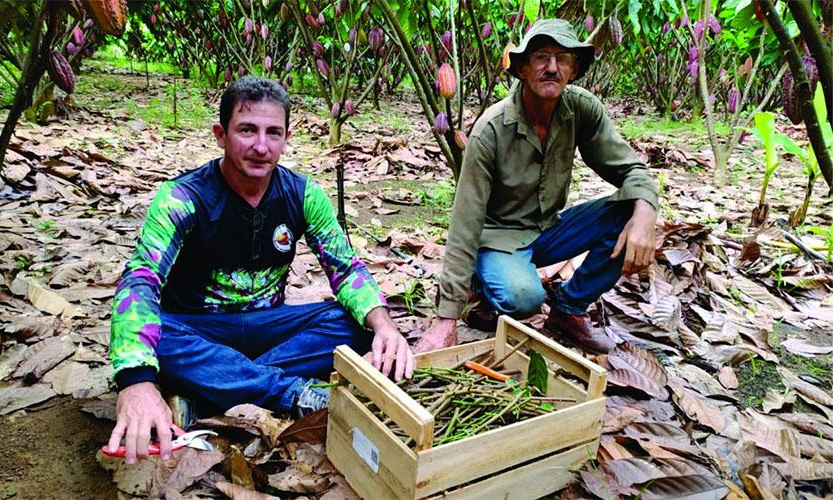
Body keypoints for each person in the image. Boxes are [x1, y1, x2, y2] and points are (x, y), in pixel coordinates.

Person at [106, 76, 414, 464]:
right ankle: (292, 394)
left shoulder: (302, 194)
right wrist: (134, 381)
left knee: (353, 322)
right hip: (196, 330)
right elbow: (141, 281)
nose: (261, 146)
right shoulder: (182, 197)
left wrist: (385, 326)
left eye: (274, 133)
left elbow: (345, 267)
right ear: (221, 134)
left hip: (267, 327)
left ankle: (206, 391)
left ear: (287, 138)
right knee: (155, 334)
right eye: (247, 130)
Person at [416, 19, 658, 355]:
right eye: (541, 57)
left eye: (563, 59)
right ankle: (480, 285)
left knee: (631, 207)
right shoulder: (492, 129)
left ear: (574, 70)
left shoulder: (580, 109)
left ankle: (569, 309)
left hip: (547, 228)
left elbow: (631, 170)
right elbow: (464, 222)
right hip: (499, 237)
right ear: (522, 68)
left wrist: (646, 214)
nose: (552, 67)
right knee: (524, 298)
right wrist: (446, 317)